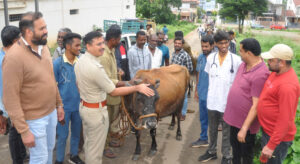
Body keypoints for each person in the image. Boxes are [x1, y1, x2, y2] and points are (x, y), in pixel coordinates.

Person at [74, 31, 154, 164]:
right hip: (96, 113)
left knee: (89, 146)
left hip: (85, 107)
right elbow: (113, 91)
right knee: (95, 153)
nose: (102, 46)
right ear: (88, 46)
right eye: (98, 44)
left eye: (102, 43)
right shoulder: (95, 67)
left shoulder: (80, 61)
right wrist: (136, 87)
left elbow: (78, 84)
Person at [2, 11, 64, 164]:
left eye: (46, 27)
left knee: (49, 149)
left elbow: (51, 79)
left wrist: (59, 104)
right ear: (29, 32)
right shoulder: (13, 57)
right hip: (34, 119)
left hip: (51, 113)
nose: (46, 31)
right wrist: (24, 131)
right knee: (39, 158)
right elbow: (10, 98)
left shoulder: (44, 49)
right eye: (42, 28)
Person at [223, 38, 270, 164]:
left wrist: (244, 129)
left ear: (249, 53)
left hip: (245, 126)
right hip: (234, 120)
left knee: (246, 156)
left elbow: (256, 105)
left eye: (241, 51)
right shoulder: (243, 64)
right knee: (236, 152)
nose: (239, 53)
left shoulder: (261, 74)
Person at [198, 31, 241, 164]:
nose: (224, 45)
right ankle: (211, 151)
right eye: (221, 43)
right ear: (215, 44)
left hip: (228, 102)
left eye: (226, 42)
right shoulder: (211, 58)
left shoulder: (236, 60)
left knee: (227, 131)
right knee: (212, 128)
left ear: (229, 42)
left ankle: (226, 156)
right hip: (212, 100)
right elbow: (209, 76)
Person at [257, 44, 300, 164]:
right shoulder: (276, 73)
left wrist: (271, 146)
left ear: (281, 62)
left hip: (277, 139)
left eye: (271, 60)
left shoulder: (288, 86)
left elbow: (285, 120)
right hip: (268, 131)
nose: (268, 62)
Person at [53, 33, 84, 164]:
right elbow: (53, 87)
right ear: (67, 46)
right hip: (63, 108)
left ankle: (74, 155)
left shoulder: (81, 62)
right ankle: (59, 160)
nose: (79, 48)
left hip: (79, 106)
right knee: (62, 136)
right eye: (77, 45)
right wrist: (57, 107)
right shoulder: (57, 64)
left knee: (76, 134)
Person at [0, 25, 28, 164]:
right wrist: (3, 112)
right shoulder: (5, 60)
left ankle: (22, 154)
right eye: (20, 39)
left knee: (19, 131)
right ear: (15, 41)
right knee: (15, 133)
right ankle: (18, 160)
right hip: (9, 104)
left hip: (17, 102)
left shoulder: (11, 56)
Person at [99, 25, 123, 158]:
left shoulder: (111, 50)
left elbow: (111, 72)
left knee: (109, 122)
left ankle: (107, 142)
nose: (120, 41)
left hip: (113, 96)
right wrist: (126, 84)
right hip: (107, 97)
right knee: (105, 124)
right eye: (119, 39)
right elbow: (107, 80)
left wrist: (118, 70)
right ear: (113, 39)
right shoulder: (104, 55)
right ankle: (104, 147)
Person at [191, 35, 214, 148]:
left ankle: (213, 145)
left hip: (214, 95)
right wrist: (196, 90)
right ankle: (204, 138)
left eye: (206, 46)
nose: (204, 48)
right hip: (202, 93)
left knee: (214, 120)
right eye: (202, 46)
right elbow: (198, 73)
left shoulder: (216, 58)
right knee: (203, 118)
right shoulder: (200, 57)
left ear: (212, 45)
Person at [170, 37, 193, 121]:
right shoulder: (174, 54)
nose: (177, 45)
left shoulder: (185, 55)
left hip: (182, 81)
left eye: (179, 43)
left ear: (182, 45)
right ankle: (176, 112)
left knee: (184, 97)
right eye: (176, 43)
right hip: (173, 80)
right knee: (176, 97)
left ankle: (183, 114)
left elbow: (190, 68)